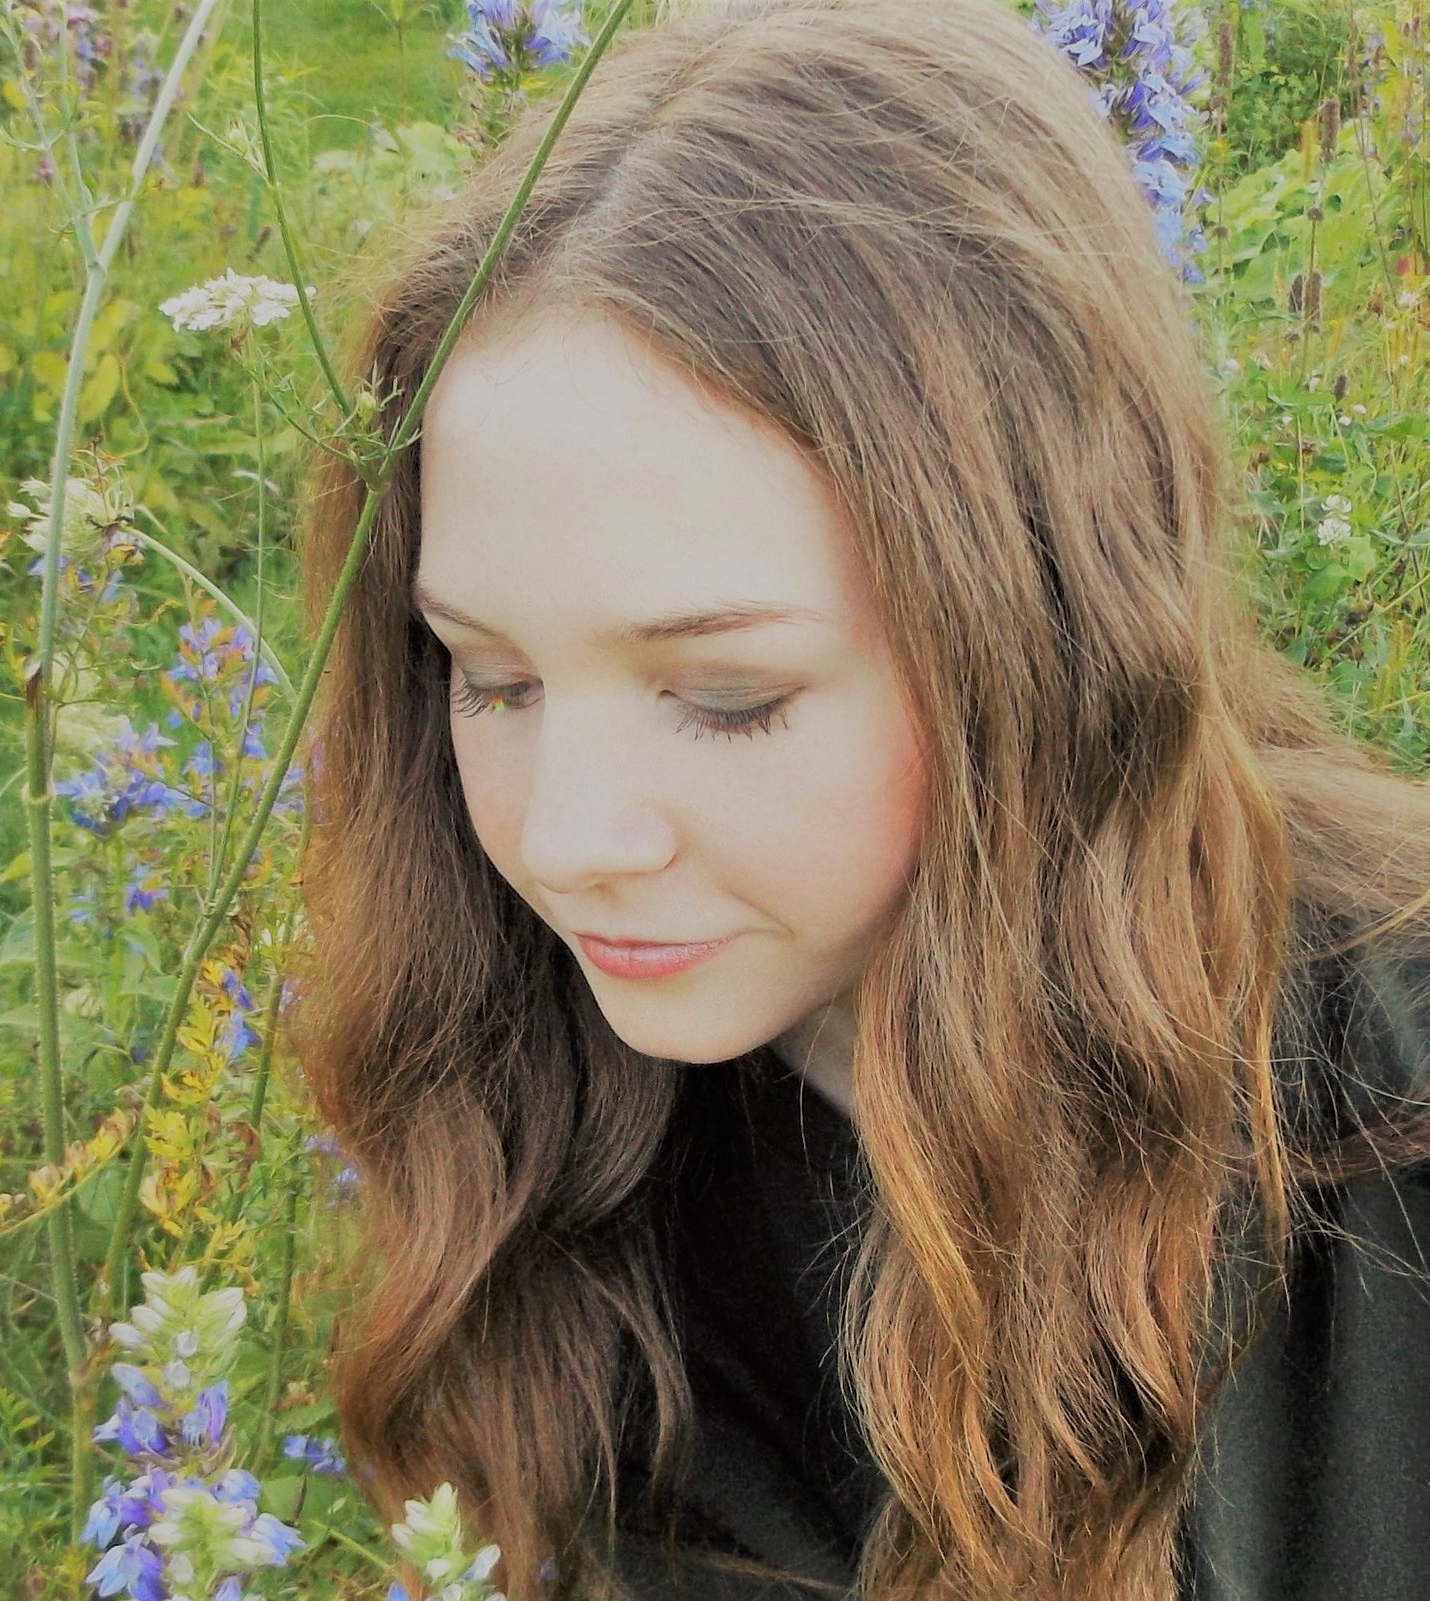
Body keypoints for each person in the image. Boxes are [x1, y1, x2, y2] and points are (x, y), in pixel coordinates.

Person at [293, 0, 1430, 1596]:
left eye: (727, 699)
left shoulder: (1386, 1098)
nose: (565, 839)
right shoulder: (547, 1121)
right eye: (491, 678)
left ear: (1043, 633)